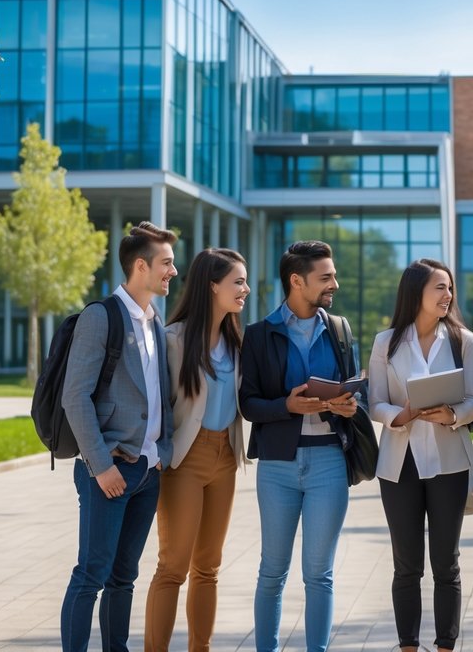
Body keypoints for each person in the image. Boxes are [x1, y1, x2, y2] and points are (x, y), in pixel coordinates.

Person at [59, 221, 178, 652]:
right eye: (167, 263)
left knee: (123, 577)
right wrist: (101, 466)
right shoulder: (101, 316)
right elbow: (76, 397)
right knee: (91, 573)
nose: (174, 271)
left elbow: (159, 394)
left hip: (147, 471)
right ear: (141, 266)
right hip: (108, 470)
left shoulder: (153, 320)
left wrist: (160, 452)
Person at [238, 240, 361, 652]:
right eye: (325, 277)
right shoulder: (258, 335)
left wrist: (347, 406)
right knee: (272, 571)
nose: (334, 284)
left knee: (318, 573)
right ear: (297, 281)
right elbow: (248, 402)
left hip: (329, 460)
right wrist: (285, 405)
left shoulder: (340, 330)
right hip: (277, 466)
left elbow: (355, 391)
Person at [368, 259, 473, 652]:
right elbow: (375, 402)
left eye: (449, 288)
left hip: (450, 461)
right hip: (400, 464)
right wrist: (400, 415)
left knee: (446, 563)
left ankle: (446, 644)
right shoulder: (386, 342)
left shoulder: (463, 340)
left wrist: (453, 414)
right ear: (416, 292)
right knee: (407, 565)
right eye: (439, 287)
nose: (447, 295)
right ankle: (408, 645)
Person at [145, 248, 249, 651]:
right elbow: (155, 406)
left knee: (208, 568)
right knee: (173, 567)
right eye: (238, 282)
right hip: (184, 461)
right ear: (212, 286)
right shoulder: (172, 340)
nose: (246, 290)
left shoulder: (237, 343)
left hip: (225, 457)